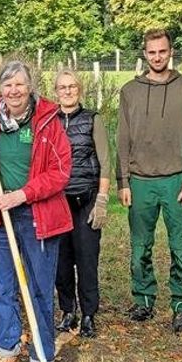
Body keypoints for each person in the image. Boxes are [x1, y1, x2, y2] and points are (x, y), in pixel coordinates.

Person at [0, 61, 72, 362]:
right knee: (2, 286)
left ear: (30, 87)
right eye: (8, 85)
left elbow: (60, 172)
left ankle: (42, 358)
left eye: (20, 85)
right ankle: (7, 350)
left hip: (37, 214)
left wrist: (23, 195)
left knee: (39, 287)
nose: (14, 91)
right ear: (1, 89)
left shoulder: (47, 121)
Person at [116, 28, 182, 333]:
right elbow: (122, 138)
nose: (157, 57)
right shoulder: (130, 91)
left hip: (178, 180)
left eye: (162, 51)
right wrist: (123, 181)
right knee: (140, 246)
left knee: (181, 247)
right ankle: (143, 299)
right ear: (144, 54)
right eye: (151, 52)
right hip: (140, 180)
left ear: (171, 52)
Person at [53, 69, 110, 338]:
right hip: (57, 202)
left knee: (87, 259)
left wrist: (102, 199)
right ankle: (68, 310)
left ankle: (88, 314)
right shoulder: (49, 120)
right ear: (56, 92)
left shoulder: (92, 120)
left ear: (79, 89)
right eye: (62, 87)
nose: (68, 91)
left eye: (72, 86)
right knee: (61, 261)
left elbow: (105, 161)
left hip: (85, 199)